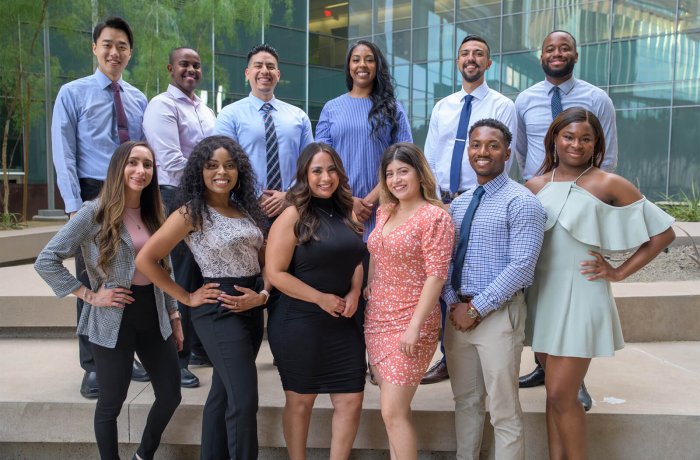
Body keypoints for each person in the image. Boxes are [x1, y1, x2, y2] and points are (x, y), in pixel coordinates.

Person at [524, 108, 674, 460]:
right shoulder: (533, 185)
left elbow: (663, 233)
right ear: (554, 140)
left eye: (586, 139)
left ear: (596, 144)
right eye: (569, 137)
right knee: (552, 395)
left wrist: (619, 272)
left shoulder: (608, 183)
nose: (576, 144)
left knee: (563, 394)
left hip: (582, 296)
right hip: (543, 297)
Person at [35, 141, 182, 460]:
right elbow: (47, 259)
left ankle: (143, 455)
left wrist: (174, 315)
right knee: (110, 405)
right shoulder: (94, 212)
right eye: (133, 163)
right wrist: (89, 295)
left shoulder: (156, 212)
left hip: (154, 314)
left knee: (170, 395)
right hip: (114, 319)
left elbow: (164, 267)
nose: (141, 170)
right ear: (118, 167)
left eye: (148, 165)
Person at [136, 135, 269, 460]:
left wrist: (262, 294)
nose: (221, 172)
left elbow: (263, 260)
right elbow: (146, 259)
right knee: (244, 400)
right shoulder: (190, 213)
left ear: (239, 171)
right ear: (200, 171)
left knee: (223, 396)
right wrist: (187, 296)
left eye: (229, 165)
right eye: (212, 166)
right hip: (218, 309)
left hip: (250, 308)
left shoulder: (243, 208)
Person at [515, 30, 619, 400]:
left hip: (581, 200)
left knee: (573, 284)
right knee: (542, 285)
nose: (557, 54)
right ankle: (546, 365)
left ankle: (574, 380)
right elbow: (524, 152)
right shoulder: (525, 99)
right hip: (542, 199)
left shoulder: (597, 98)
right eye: (550, 49)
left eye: (564, 48)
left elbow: (607, 155)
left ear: (576, 53)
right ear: (541, 55)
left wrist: (595, 214)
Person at [51, 16, 149, 398]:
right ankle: (92, 364)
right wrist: (74, 206)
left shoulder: (139, 98)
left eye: (122, 46)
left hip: (130, 192)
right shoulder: (72, 93)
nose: (115, 51)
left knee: (129, 273)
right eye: (107, 44)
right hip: (93, 192)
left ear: (130, 52)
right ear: (95, 48)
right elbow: (64, 152)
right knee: (94, 277)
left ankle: (128, 354)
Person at [442, 119, 546, 460]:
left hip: (498, 316)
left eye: (492, 145)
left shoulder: (522, 201)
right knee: (466, 403)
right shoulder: (459, 204)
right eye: (476, 145)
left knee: (503, 408)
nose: (482, 152)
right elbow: (444, 262)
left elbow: (522, 266)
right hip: (458, 315)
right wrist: (453, 303)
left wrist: (475, 309)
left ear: (508, 151)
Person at [422, 34, 516, 384]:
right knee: (440, 272)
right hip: (443, 201)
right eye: (465, 53)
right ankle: (448, 355)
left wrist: (486, 197)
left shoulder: (502, 105)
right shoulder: (443, 106)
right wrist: (433, 201)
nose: (471, 58)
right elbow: (430, 156)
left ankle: (475, 349)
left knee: (469, 272)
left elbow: (505, 155)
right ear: (457, 61)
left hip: (479, 198)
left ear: (488, 63)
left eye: (478, 54)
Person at [265, 143, 366, 460]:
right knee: (300, 401)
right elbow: (275, 273)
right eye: (317, 171)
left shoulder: (347, 210)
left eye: (331, 169)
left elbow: (357, 260)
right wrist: (320, 298)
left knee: (350, 400)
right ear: (305, 176)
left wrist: (353, 291)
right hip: (299, 321)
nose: (326, 177)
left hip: (343, 321)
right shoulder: (292, 215)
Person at [364, 142, 454, 460]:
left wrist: (414, 327)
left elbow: (437, 276)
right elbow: (377, 247)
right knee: (394, 413)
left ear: (419, 173)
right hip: (377, 318)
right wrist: (371, 283)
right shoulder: (385, 210)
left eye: (403, 171)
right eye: (390, 174)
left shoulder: (435, 218)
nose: (396, 179)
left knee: (392, 411)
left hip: (411, 321)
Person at [143, 46, 217, 388]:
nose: (191, 69)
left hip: (205, 198)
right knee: (183, 278)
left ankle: (200, 347)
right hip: (178, 198)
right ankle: (177, 359)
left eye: (197, 65)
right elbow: (171, 161)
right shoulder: (162, 106)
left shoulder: (206, 110)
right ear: (170, 67)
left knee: (203, 273)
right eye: (185, 64)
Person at [315, 39, 413, 240]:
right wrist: (349, 200)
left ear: (377, 66)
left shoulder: (392, 108)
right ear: (349, 66)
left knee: (377, 269)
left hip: (384, 208)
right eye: (356, 60)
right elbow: (321, 162)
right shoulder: (331, 108)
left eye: (369, 60)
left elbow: (404, 160)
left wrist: (368, 201)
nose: (362, 65)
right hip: (338, 206)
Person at [214, 43, 314, 219]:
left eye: (270, 66)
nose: (264, 71)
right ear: (247, 73)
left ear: (278, 74)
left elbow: (310, 164)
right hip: (243, 209)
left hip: (292, 209)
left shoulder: (298, 116)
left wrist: (288, 196)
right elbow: (225, 162)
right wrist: (256, 196)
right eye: (258, 65)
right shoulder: (229, 115)